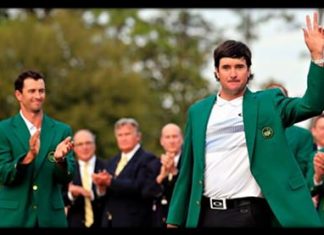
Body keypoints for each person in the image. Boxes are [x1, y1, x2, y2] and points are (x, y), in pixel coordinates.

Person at [166, 12, 324, 228]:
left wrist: (318, 58)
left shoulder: (268, 103)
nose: (233, 73)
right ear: (216, 72)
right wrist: (174, 221)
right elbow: (187, 171)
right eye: (226, 67)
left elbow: (311, 105)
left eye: (239, 67)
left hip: (250, 215)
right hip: (205, 215)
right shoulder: (198, 111)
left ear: (249, 71)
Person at [0, 70, 75, 227]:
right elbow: (4, 174)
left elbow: (66, 178)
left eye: (41, 91)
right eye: (32, 91)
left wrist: (60, 160)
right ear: (18, 95)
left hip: (51, 219)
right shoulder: (3, 130)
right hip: (14, 218)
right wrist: (29, 156)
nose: (38, 95)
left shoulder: (62, 130)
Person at [92, 117, 157, 227]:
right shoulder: (111, 161)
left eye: (127, 134)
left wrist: (110, 182)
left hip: (134, 221)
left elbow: (139, 186)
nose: (123, 138)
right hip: (109, 222)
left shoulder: (148, 159)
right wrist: (101, 187)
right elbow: (105, 195)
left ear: (138, 137)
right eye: (120, 135)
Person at [264, 82, 315, 177]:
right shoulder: (251, 131)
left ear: (286, 101)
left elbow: (303, 168)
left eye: (278, 98)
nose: (273, 102)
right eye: (268, 99)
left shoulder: (303, 135)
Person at [63, 129, 106, 228]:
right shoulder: (67, 169)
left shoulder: (107, 167)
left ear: (94, 145)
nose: (85, 147)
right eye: (80, 144)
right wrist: (71, 194)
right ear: (74, 148)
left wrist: (91, 193)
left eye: (88, 143)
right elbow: (59, 198)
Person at [148, 123, 183, 227]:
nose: (171, 141)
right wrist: (162, 176)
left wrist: (174, 172)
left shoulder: (189, 162)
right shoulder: (154, 164)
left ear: (181, 139)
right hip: (160, 220)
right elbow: (146, 192)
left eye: (175, 136)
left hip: (181, 219)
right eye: (167, 137)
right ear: (161, 141)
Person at [306, 114, 324, 223]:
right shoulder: (311, 155)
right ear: (313, 130)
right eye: (323, 129)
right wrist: (318, 176)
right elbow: (308, 187)